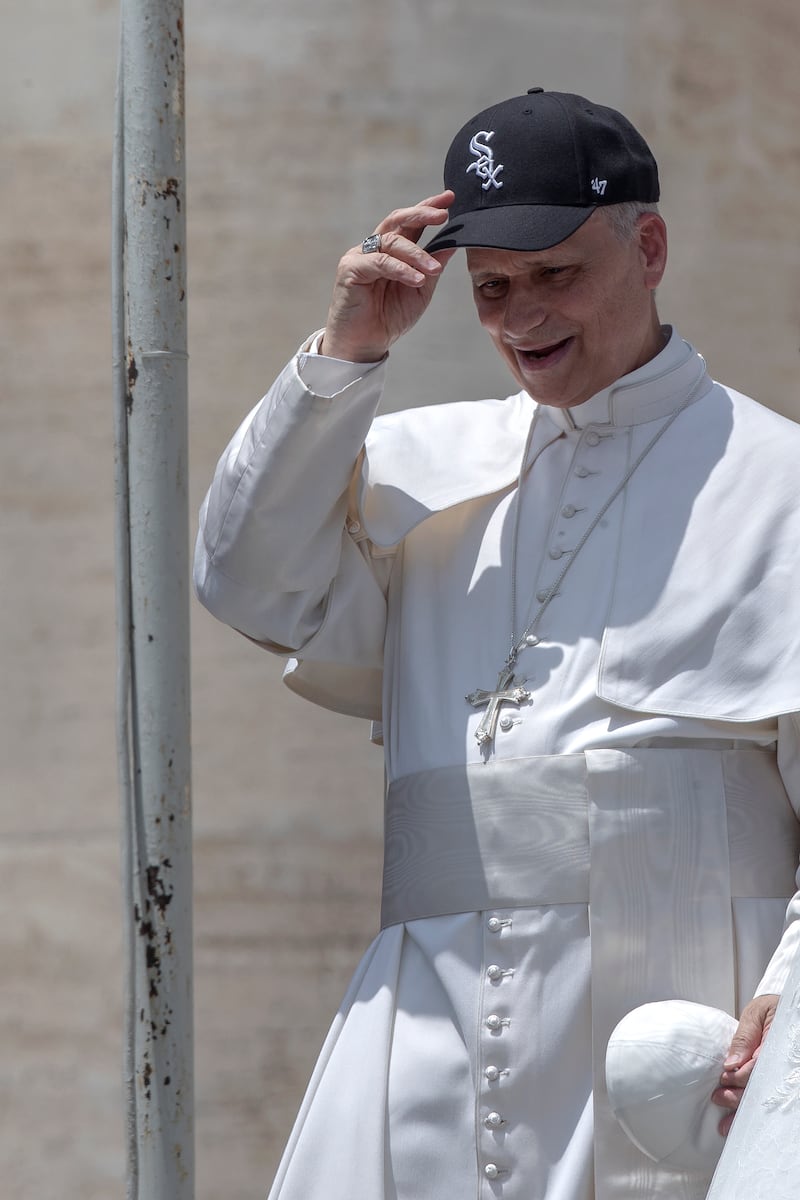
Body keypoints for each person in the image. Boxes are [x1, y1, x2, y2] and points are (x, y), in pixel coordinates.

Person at [194, 89, 800, 1199]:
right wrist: (348, 350)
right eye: (491, 291)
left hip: (678, 1035)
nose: (522, 316)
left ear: (647, 246)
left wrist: (790, 1000)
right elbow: (245, 579)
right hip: (422, 1032)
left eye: (554, 274)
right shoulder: (424, 465)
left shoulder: (779, 483)